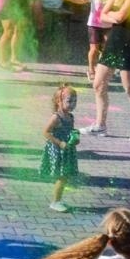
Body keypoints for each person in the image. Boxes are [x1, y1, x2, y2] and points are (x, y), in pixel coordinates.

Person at [87, 0, 130, 143]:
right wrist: (112, 16)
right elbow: (101, 16)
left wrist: (111, 15)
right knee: (98, 85)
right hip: (113, 41)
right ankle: (100, 125)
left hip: (127, 43)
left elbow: (120, 17)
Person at [41, 84, 82, 212]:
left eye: (75, 101)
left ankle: (58, 199)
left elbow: (68, 131)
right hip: (58, 151)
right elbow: (46, 132)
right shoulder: (56, 117)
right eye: (69, 101)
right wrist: (59, 143)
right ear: (59, 101)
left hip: (67, 150)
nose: (73, 104)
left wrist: (74, 137)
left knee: (65, 176)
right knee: (62, 176)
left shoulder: (70, 116)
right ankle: (55, 202)